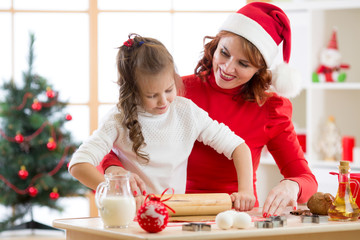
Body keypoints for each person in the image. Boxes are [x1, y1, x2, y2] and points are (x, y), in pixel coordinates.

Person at [100, 2, 318, 217]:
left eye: (243, 64)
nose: (227, 68)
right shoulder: (175, 92)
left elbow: (305, 178)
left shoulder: (270, 109)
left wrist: (292, 186)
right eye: (224, 53)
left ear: (260, 70)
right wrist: (114, 170)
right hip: (172, 211)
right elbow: (111, 145)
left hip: (236, 218)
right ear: (215, 45)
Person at [69, 33, 256, 211]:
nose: (163, 101)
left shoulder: (186, 111)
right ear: (132, 91)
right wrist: (114, 190)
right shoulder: (117, 119)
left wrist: (246, 191)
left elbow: (238, 147)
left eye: (168, 90)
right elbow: (78, 164)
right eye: (152, 95)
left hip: (173, 213)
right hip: (130, 215)